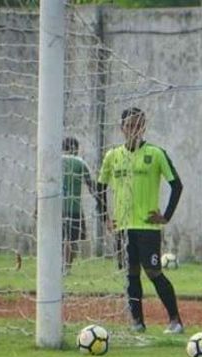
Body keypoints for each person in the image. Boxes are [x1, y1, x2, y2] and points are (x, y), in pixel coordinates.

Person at [98, 107, 184, 334]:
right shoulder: (112, 156)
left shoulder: (156, 153)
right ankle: (137, 322)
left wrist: (165, 216)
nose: (134, 129)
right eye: (129, 125)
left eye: (138, 125)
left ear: (143, 127)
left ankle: (175, 321)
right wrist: (105, 217)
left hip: (147, 227)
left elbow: (177, 185)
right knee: (131, 274)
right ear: (122, 128)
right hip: (123, 227)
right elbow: (100, 187)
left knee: (154, 272)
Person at [61, 136, 101, 274]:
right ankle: (67, 267)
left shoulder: (55, 162)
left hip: (56, 209)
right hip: (74, 209)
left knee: (58, 238)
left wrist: (38, 208)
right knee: (71, 239)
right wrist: (100, 201)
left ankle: (56, 265)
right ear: (76, 149)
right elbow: (90, 185)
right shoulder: (80, 163)